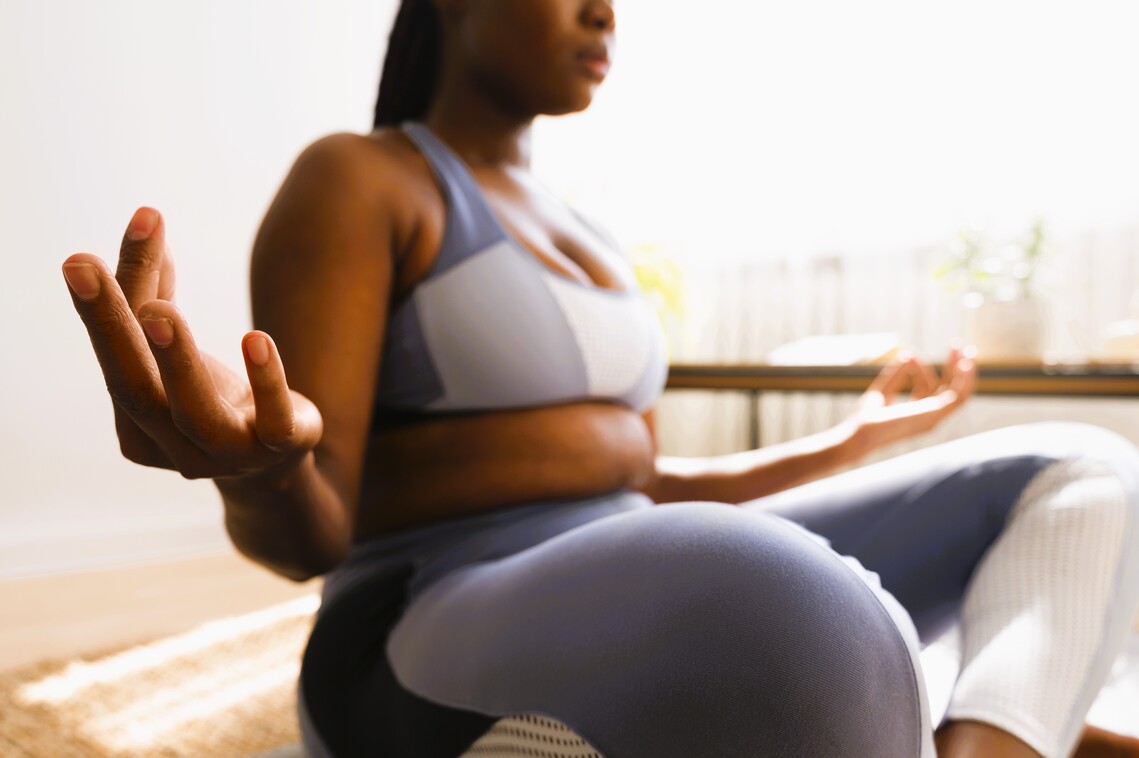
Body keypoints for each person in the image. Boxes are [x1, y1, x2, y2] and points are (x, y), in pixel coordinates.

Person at [61, 1, 1139, 756]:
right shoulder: (362, 176)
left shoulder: (596, 236)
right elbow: (312, 528)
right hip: (418, 625)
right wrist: (254, 470)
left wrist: (852, 439)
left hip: (632, 559)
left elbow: (646, 482)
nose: (605, 12)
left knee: (1077, 470)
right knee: (804, 608)